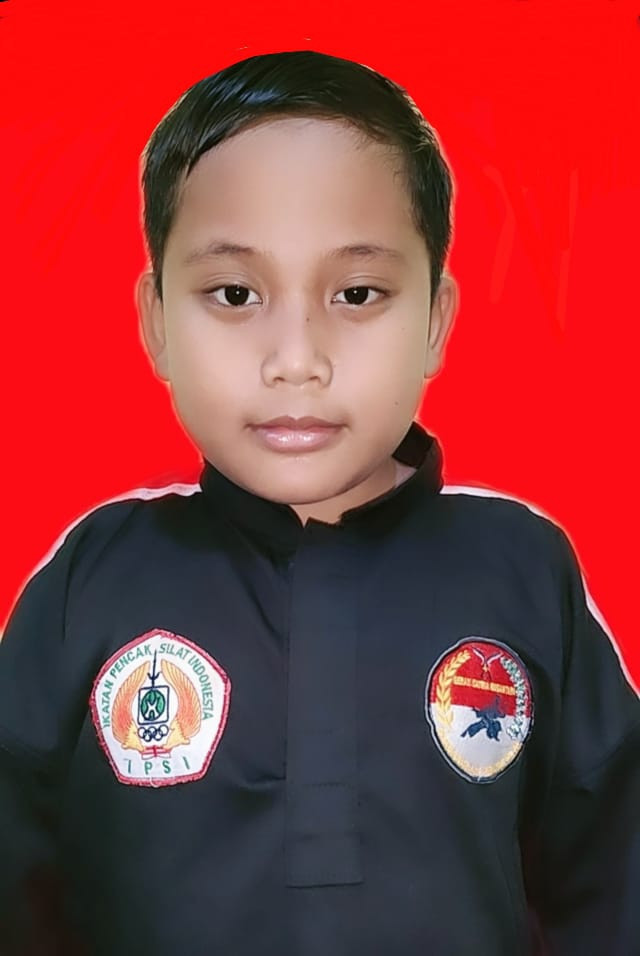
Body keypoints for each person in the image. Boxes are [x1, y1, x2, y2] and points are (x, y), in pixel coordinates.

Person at [0, 49, 638, 956]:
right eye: (234, 293)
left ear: (436, 320)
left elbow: (612, 886)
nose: (296, 359)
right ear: (156, 321)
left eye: (357, 293)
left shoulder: (525, 567)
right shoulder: (90, 577)